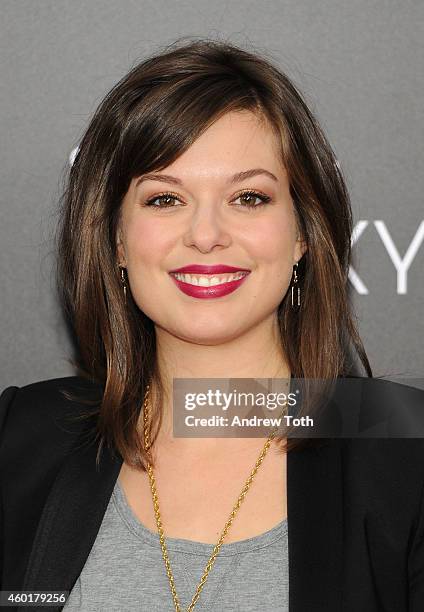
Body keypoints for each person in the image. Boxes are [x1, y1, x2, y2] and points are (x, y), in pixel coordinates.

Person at [1, 37, 424, 612]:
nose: (205, 234)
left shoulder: (405, 445)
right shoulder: (19, 436)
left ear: (302, 232)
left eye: (249, 197)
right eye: (164, 200)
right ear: (116, 240)